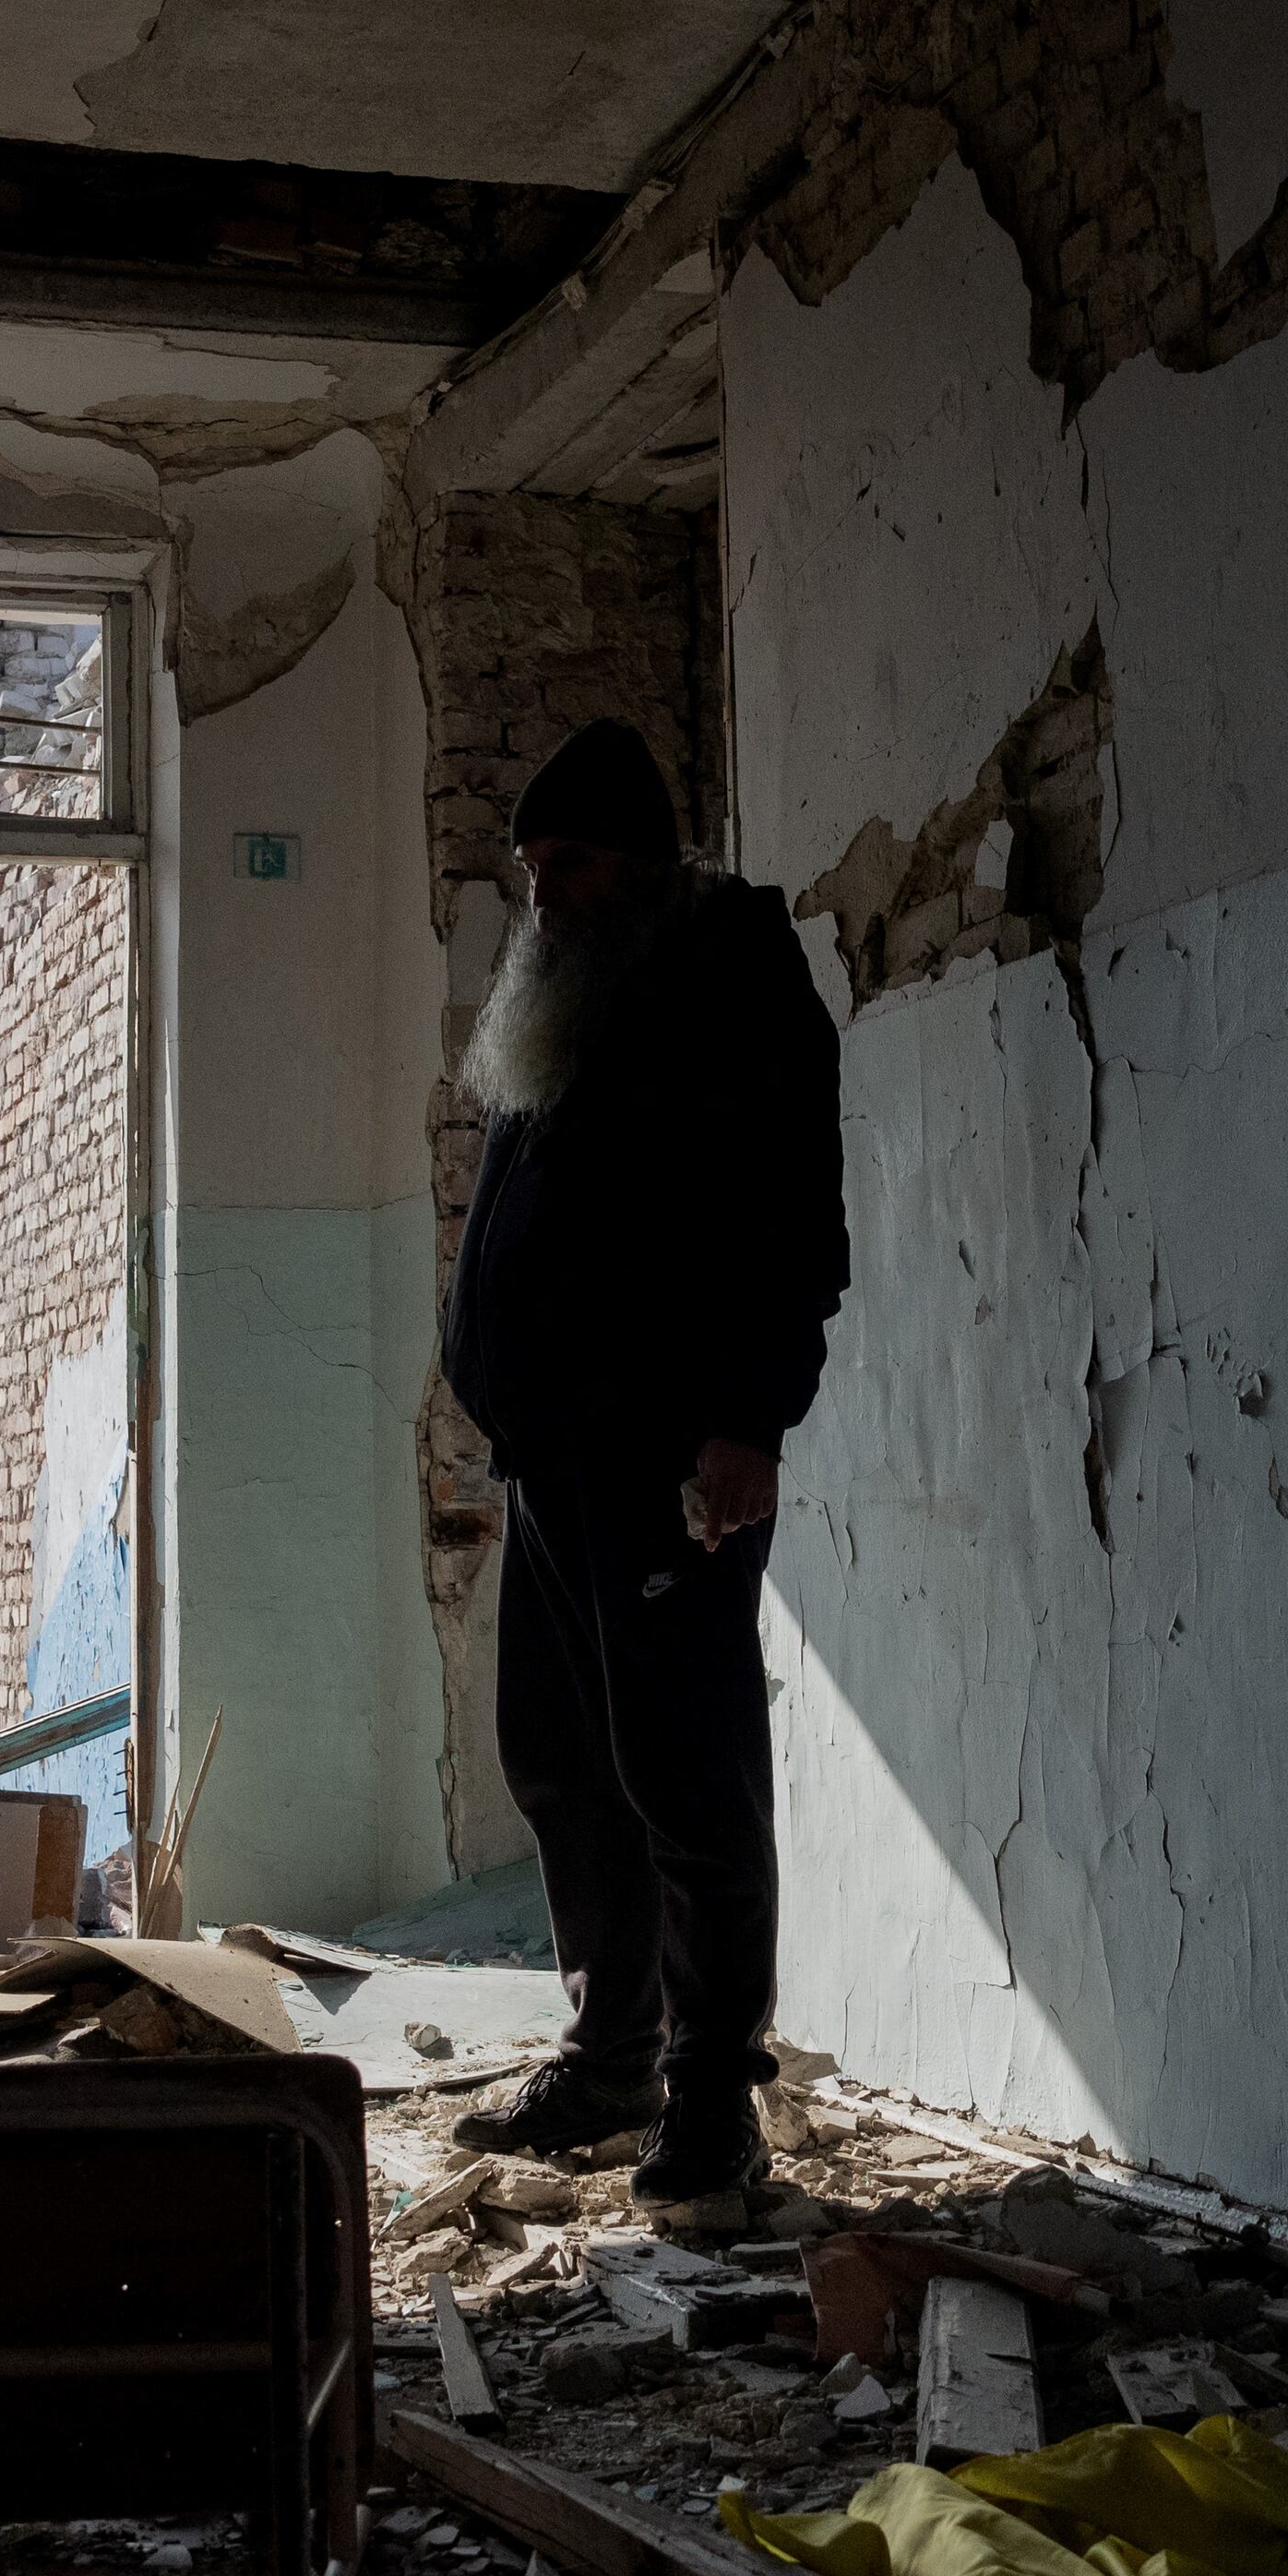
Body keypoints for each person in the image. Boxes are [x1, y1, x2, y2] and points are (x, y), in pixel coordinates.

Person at [437, 718, 849, 2211]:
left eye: (577, 861)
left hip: (672, 1458)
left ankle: (714, 2100)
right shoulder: (564, 989)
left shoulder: (729, 977)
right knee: (560, 1760)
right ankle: (611, 2055)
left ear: (647, 862)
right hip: (552, 1459)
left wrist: (750, 1425)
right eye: (536, 864)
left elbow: (793, 1228)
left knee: (689, 1774)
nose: (547, 891)